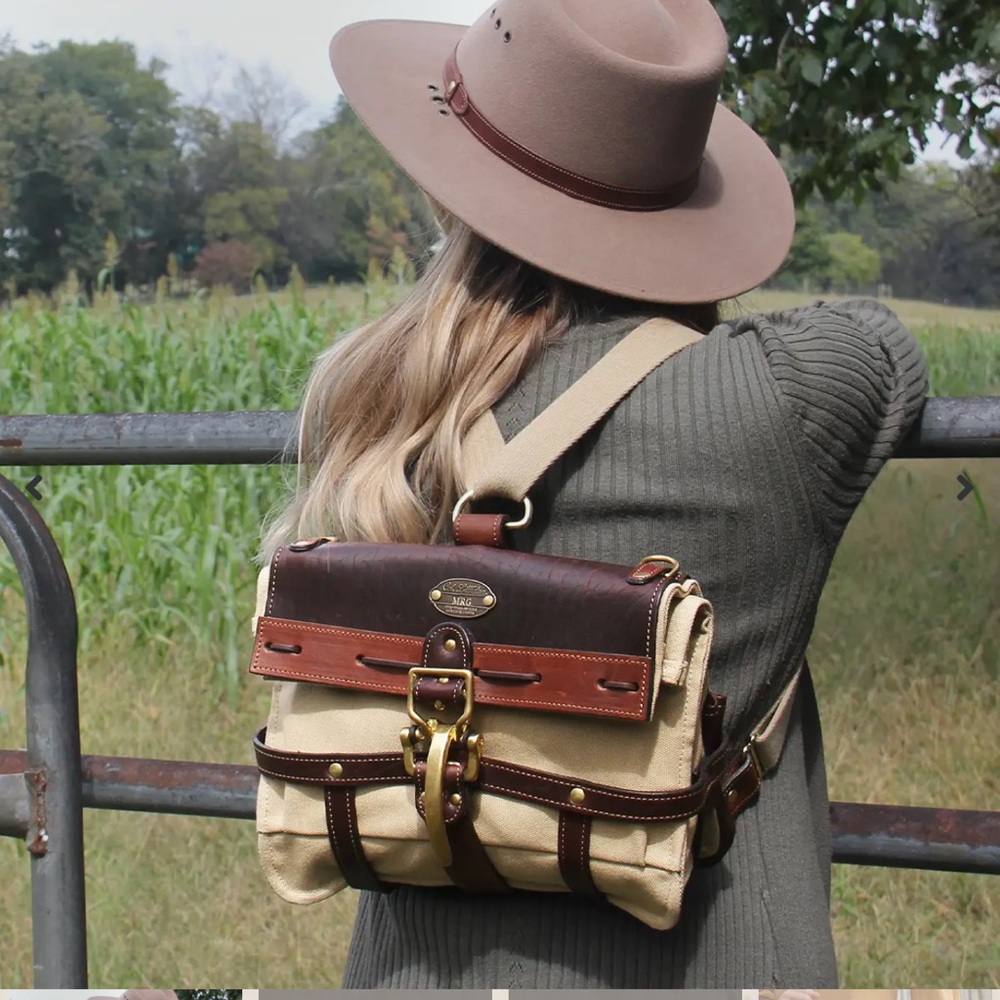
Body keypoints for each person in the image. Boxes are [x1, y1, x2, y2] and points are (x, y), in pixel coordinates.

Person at [261, 0, 928, 988]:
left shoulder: (378, 402)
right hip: (717, 959)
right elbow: (884, 348)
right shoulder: (784, 398)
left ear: (456, 191)